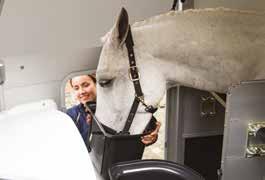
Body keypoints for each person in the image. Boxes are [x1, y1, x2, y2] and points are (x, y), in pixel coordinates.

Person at [66, 74, 161, 145]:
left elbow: (147, 130)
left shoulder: (120, 106)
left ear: (96, 84)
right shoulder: (72, 115)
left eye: (86, 85)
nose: (81, 91)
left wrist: (151, 137)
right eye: (76, 88)